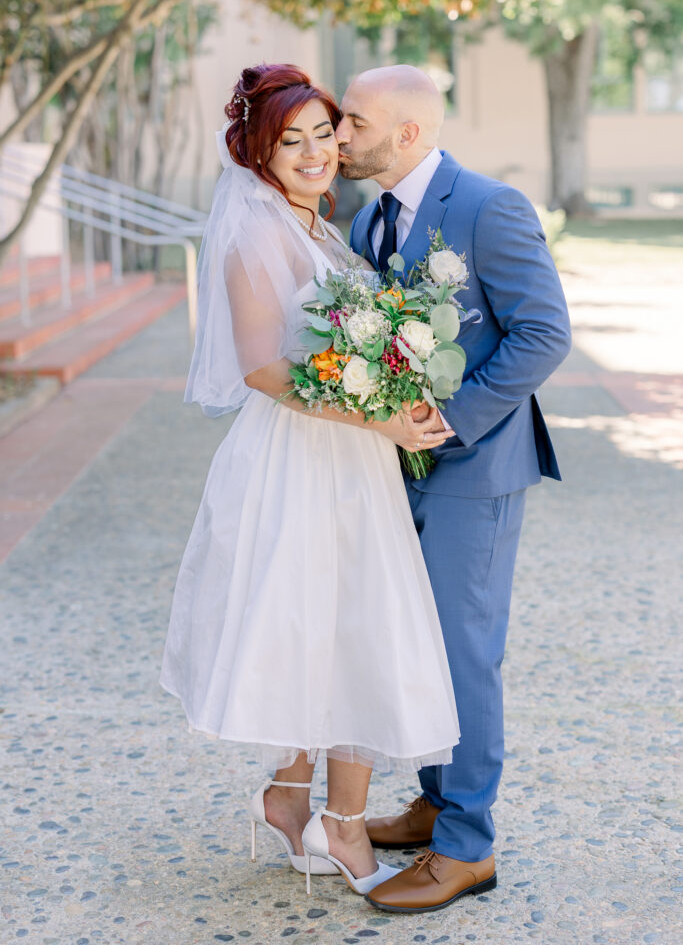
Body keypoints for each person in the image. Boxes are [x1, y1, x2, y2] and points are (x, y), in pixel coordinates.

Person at [159, 63, 460, 898]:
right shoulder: (256, 234)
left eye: (324, 133)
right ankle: (342, 824)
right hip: (302, 458)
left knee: (334, 623)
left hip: (348, 453)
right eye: (289, 141)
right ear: (256, 153)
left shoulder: (321, 228)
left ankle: (292, 799)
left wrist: (395, 387)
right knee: (337, 623)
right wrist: (380, 420)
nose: (314, 152)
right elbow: (262, 370)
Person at [336, 64, 571, 913]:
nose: (339, 135)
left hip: (477, 468)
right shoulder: (367, 220)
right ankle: (436, 804)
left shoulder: (487, 207)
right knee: (418, 643)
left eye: (354, 122)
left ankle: (467, 847)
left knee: (464, 654)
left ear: (407, 133)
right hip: (394, 466)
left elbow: (543, 333)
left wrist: (454, 416)